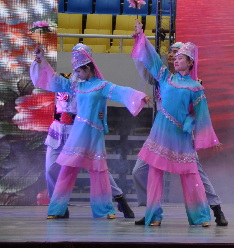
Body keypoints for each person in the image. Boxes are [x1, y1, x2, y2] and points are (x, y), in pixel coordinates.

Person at [32, 43, 149, 219]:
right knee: (65, 170)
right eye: (75, 70)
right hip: (74, 132)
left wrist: (139, 96)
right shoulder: (74, 85)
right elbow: (54, 79)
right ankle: (57, 209)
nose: (76, 73)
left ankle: (106, 207)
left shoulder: (101, 85)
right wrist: (41, 59)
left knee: (98, 170)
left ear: (88, 68)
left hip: (92, 134)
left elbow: (120, 91)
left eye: (79, 70)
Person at [131, 20, 221, 227]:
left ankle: (200, 216)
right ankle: (154, 216)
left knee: (190, 174)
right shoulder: (165, 77)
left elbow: (202, 115)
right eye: (176, 57)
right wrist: (141, 36)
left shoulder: (195, 87)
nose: (176, 60)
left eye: (181, 57)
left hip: (180, 134)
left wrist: (208, 137)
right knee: (154, 173)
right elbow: (152, 59)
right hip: (160, 131)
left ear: (190, 62)